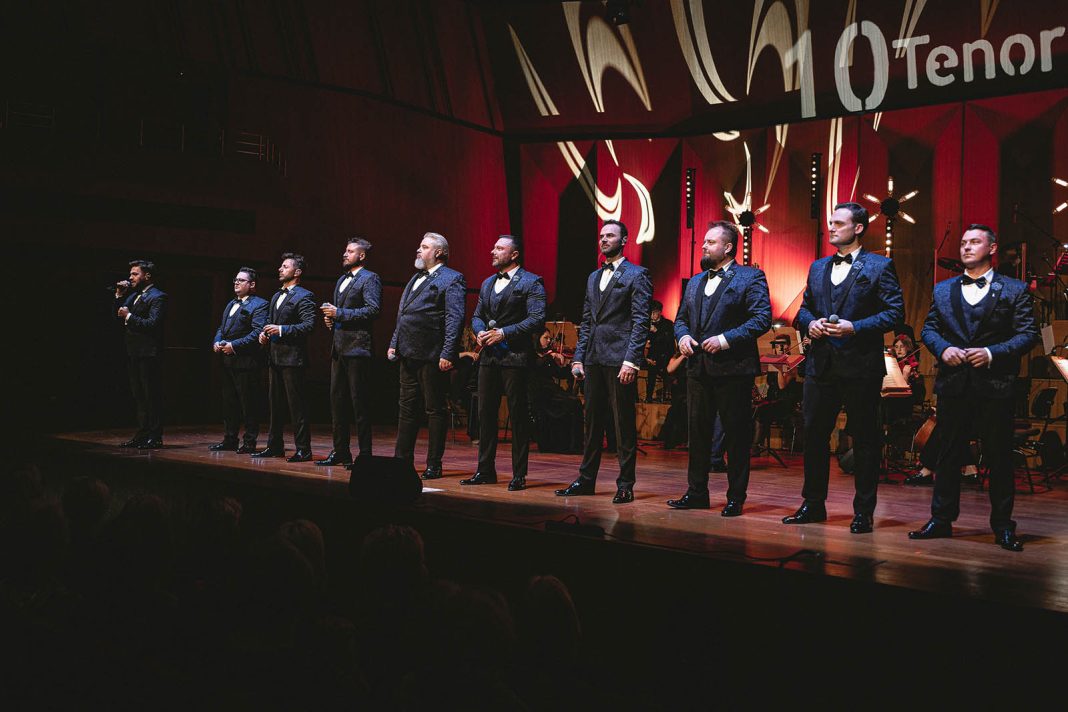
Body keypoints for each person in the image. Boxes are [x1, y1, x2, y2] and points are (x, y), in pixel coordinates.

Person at [909, 224, 1039, 552]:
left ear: (992, 249)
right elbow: (929, 329)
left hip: (996, 385)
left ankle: (1003, 526)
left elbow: (1028, 334)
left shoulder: (1015, 289)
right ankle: (941, 520)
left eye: (975, 242)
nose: (966, 247)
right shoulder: (943, 290)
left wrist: (992, 353)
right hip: (954, 384)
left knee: (999, 456)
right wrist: (943, 349)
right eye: (964, 242)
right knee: (948, 454)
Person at [784, 202, 904, 534]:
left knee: (864, 439)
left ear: (858, 228)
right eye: (831, 222)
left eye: (838, 223)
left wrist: (855, 327)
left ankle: (863, 511)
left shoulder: (880, 266)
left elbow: (895, 313)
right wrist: (811, 323)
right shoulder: (818, 267)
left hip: (861, 366)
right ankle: (813, 504)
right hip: (820, 365)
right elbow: (803, 309)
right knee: (814, 436)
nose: (831, 228)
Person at [665, 221, 771, 515]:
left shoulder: (750, 277)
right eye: (704, 241)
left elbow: (762, 318)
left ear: (728, 247)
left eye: (710, 242)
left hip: (733, 369)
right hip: (698, 369)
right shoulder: (695, 281)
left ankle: (736, 497)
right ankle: (696, 492)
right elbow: (681, 319)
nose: (703, 246)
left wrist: (725, 340)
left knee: (736, 436)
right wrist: (682, 336)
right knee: (697, 434)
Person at [556, 219, 652, 504]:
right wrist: (579, 358)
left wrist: (631, 361)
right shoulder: (593, 277)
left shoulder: (637, 274)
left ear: (624, 240)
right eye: (601, 236)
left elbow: (640, 321)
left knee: (622, 424)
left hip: (620, 358)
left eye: (610, 235)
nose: (604, 239)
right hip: (594, 358)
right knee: (592, 423)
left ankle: (625, 484)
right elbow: (587, 321)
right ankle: (586, 479)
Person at [461, 235, 546, 491]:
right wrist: (479, 332)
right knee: (485, 415)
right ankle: (485, 470)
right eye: (494, 247)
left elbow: (537, 319)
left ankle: (519, 474)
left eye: (499, 248)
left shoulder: (531, 282)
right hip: (489, 357)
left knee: (518, 416)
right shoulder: (488, 282)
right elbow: (477, 316)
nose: (493, 251)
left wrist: (504, 333)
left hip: (516, 358)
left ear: (514, 254)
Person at [390, 232, 466, 480]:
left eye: (424, 247)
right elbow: (403, 314)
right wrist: (394, 343)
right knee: (406, 409)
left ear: (439, 252)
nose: (418, 250)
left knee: (434, 409)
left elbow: (454, 318)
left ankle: (434, 463)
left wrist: (448, 352)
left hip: (432, 354)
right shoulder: (416, 277)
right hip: (408, 352)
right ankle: (401, 460)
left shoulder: (452, 278)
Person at [317, 238, 382, 467]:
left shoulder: (370, 278)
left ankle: (365, 455)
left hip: (357, 348)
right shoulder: (341, 280)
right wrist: (331, 319)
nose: (345, 254)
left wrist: (340, 314)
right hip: (339, 348)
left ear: (361, 256)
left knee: (359, 404)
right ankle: (340, 451)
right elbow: (340, 313)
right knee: (337, 402)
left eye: (350, 251)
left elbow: (373, 310)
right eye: (345, 250)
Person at [252, 253, 317, 462]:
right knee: (275, 406)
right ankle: (274, 446)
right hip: (274, 358)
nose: (280, 269)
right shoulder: (275, 296)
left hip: (293, 359)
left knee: (297, 406)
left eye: (285, 266)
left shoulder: (305, 296)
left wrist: (281, 329)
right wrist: (264, 334)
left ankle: (303, 449)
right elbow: (270, 322)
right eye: (281, 266)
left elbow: (308, 325)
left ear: (297, 272)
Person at [211, 267, 269, 453]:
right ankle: (230, 439)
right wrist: (217, 341)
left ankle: (250, 442)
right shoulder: (231, 303)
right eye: (235, 279)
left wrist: (234, 345)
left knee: (248, 404)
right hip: (227, 361)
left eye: (241, 280)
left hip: (246, 362)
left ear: (252, 284)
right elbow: (222, 327)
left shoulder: (260, 304)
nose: (236, 282)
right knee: (229, 403)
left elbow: (257, 332)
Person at [115, 259, 168, 449]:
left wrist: (129, 316)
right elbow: (120, 313)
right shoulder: (134, 295)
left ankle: (155, 435)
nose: (130, 277)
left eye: (135, 274)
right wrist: (120, 295)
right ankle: (142, 433)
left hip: (149, 353)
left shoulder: (158, 297)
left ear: (147, 276)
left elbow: (152, 323)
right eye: (130, 274)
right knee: (139, 396)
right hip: (134, 352)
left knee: (150, 395)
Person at [644, 300, 675, 402]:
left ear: (660, 312)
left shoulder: (667, 324)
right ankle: (648, 397)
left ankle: (666, 396)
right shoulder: (646, 324)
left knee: (663, 369)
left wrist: (656, 331)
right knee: (650, 369)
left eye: (655, 312)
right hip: (651, 355)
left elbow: (668, 342)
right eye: (651, 313)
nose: (652, 315)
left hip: (664, 355)